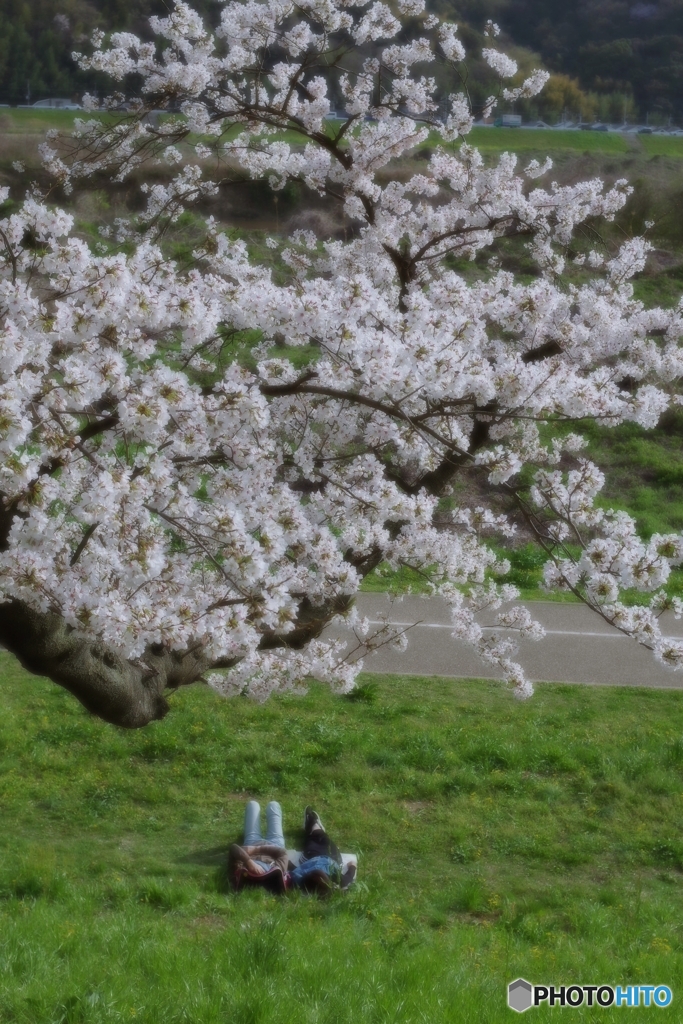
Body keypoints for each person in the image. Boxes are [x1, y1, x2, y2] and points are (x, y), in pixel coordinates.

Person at [229, 802, 356, 894]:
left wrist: (249, 859)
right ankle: (313, 823)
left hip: (254, 842)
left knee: (253, 805)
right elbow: (282, 854)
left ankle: (313, 824)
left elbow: (234, 850)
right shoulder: (281, 870)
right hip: (275, 845)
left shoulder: (289, 875)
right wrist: (352, 866)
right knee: (321, 838)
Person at [228, 800, 289, 893]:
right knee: (273, 805)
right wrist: (257, 849)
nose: (257, 872)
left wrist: (249, 861)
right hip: (275, 844)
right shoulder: (277, 870)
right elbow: (282, 852)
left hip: (252, 842)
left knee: (253, 805)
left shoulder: (242, 870)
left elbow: (234, 848)